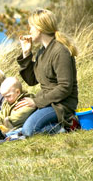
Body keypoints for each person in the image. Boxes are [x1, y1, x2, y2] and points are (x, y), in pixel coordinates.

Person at [16, 8, 79, 137]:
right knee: (19, 125)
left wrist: (37, 102)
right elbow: (32, 80)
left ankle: (68, 125)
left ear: (39, 28)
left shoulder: (60, 51)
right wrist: (26, 53)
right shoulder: (42, 51)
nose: (30, 31)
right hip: (47, 101)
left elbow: (65, 87)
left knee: (29, 130)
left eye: (31, 27)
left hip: (61, 105)